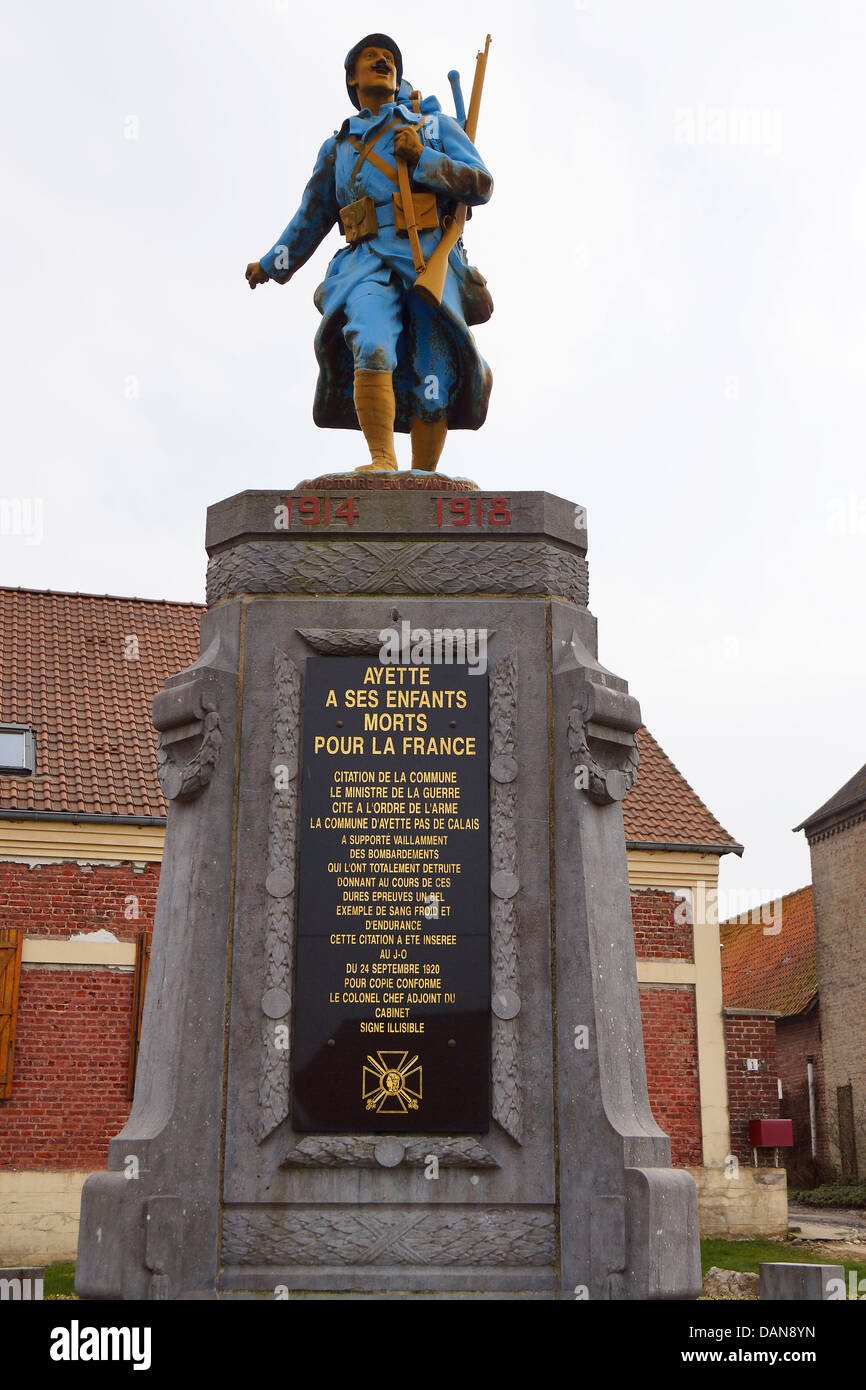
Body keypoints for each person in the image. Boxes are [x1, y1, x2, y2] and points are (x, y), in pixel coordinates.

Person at [245, 34, 493, 473]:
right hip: (365, 262)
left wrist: (423, 160)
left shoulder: (431, 128)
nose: (382, 61)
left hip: (425, 259)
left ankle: (423, 478)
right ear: (352, 77)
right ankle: (381, 460)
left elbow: (481, 183)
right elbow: (313, 216)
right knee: (371, 343)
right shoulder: (339, 147)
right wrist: (271, 264)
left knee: (432, 372)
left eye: (390, 58)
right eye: (370, 57)